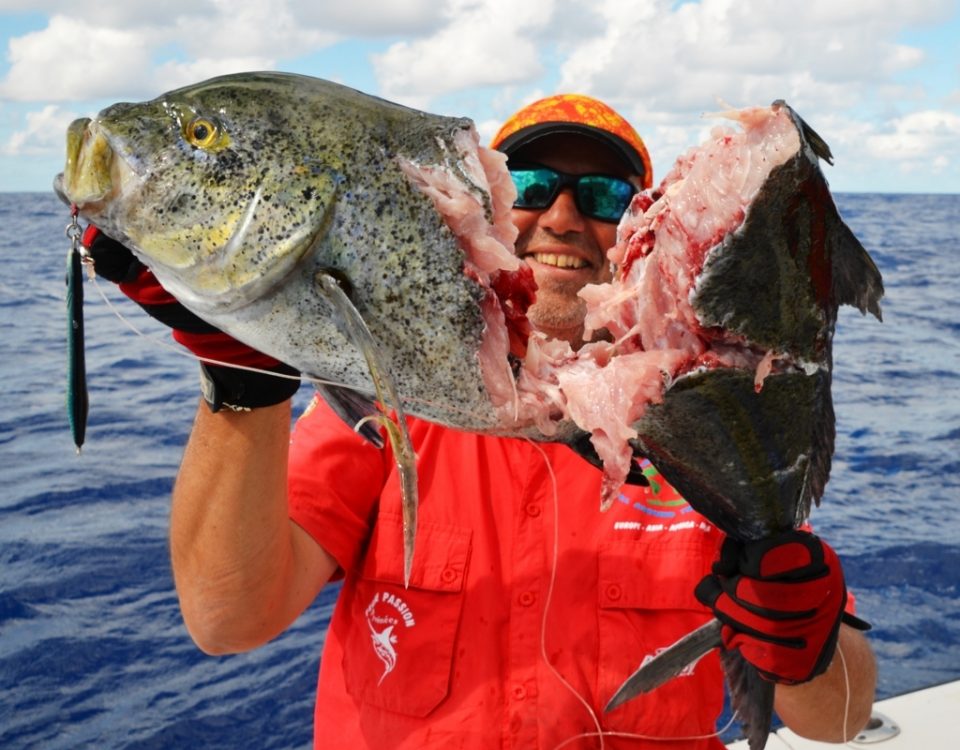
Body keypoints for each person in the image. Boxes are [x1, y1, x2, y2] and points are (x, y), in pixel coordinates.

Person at [86, 94, 877, 749]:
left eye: (603, 197)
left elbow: (839, 720)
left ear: (643, 232)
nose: (563, 218)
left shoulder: (696, 423)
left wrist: (804, 648)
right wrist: (242, 383)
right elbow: (228, 618)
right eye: (531, 185)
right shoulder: (389, 404)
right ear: (487, 207)